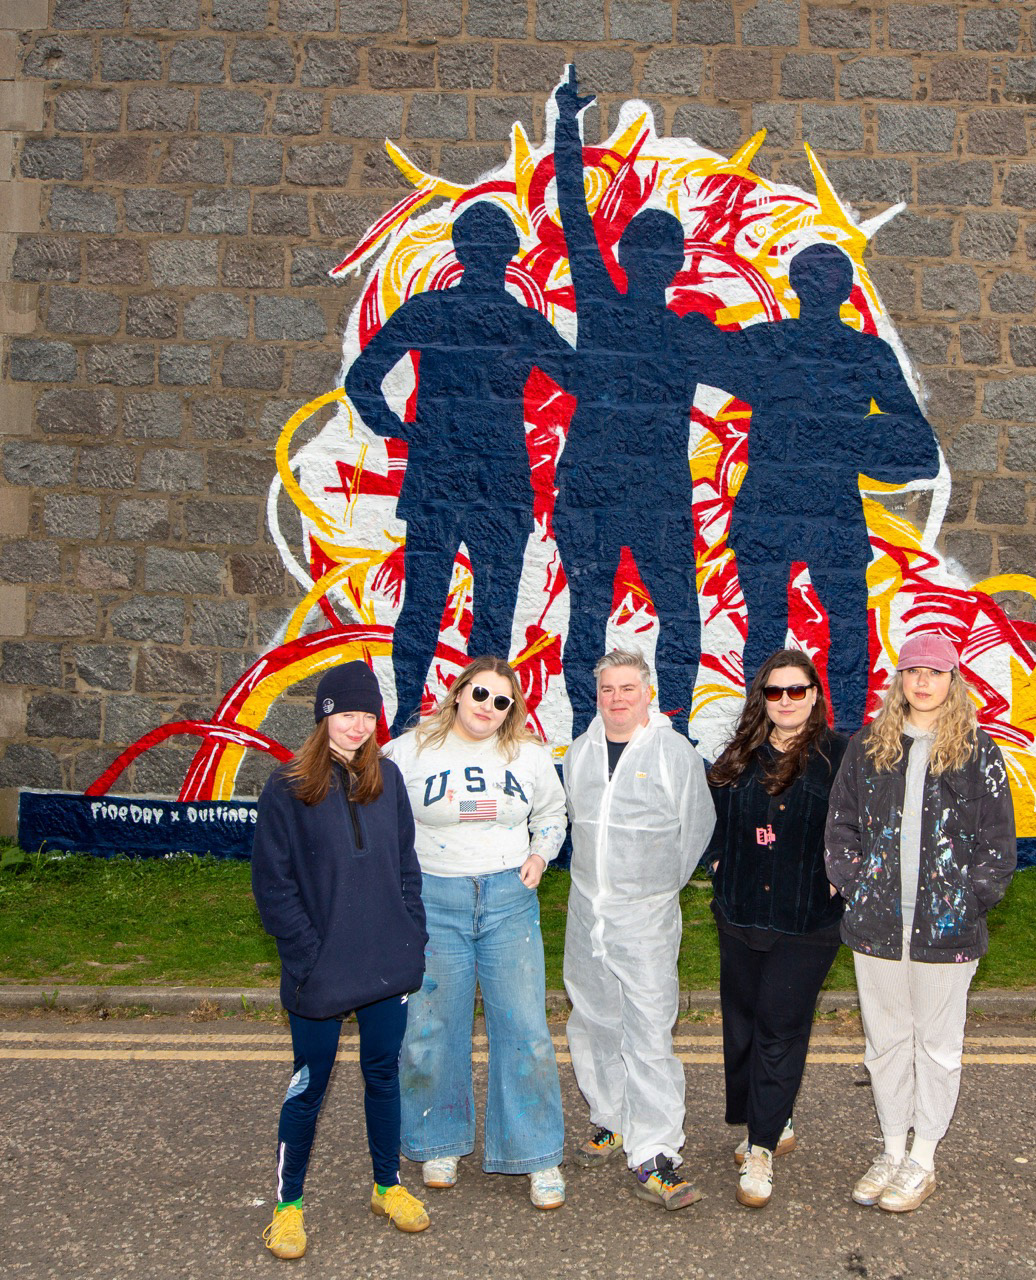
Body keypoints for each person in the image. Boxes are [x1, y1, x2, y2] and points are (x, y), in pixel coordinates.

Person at [345, 202, 574, 736]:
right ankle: (466, 726)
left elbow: (363, 379)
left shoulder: (433, 311)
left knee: (424, 606)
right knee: (487, 617)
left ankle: (407, 716)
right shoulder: (520, 321)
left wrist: (399, 428)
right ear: (505, 256)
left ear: (461, 250)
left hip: (441, 480)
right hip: (497, 486)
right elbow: (585, 382)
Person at [553, 69, 729, 735]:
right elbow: (572, 210)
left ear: (677, 260)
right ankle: (585, 731)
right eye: (647, 247)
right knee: (601, 613)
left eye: (664, 249)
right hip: (608, 488)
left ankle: (674, 731)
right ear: (634, 253)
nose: (655, 258)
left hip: (645, 491)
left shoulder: (681, 329)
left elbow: (764, 369)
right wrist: (566, 128)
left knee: (668, 616)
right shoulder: (610, 305)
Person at [709, 243, 941, 730]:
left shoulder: (801, 348)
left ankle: (845, 734)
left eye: (821, 280)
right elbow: (699, 357)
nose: (817, 289)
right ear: (847, 291)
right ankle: (793, 733)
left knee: (825, 630)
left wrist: (844, 439)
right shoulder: (801, 347)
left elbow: (920, 450)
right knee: (792, 630)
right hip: (785, 506)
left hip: (812, 506)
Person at [824, 632, 1017, 1212]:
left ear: (952, 681)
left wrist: (974, 898)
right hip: (877, 927)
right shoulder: (867, 748)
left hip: (946, 929)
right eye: (913, 672)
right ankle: (889, 1148)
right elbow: (842, 827)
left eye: (934, 673)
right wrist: (856, 885)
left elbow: (997, 843)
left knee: (936, 1045)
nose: (923, 682)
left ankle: (923, 1156)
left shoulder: (978, 752)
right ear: (900, 680)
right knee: (885, 1043)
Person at [252, 660, 431, 1260]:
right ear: (324, 716)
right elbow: (272, 887)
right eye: (346, 714)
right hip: (320, 969)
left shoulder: (391, 780)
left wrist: (412, 935)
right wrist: (306, 953)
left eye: (366, 715)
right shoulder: (286, 787)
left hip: (386, 960)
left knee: (383, 1075)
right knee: (310, 1084)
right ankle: (289, 1206)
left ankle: (387, 1186)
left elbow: (407, 867)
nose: (357, 726)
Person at [384, 655, 569, 1210]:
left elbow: (554, 815)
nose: (489, 707)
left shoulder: (530, 756)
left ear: (512, 710)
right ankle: (438, 1140)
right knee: (430, 1028)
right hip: (434, 902)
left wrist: (540, 855)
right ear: (459, 692)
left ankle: (536, 1155)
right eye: (480, 694)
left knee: (526, 1030)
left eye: (502, 701)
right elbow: (376, 810)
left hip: (508, 900)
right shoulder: (409, 751)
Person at [561, 648, 716, 1210]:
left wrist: (655, 889)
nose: (617, 698)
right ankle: (611, 1116)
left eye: (628, 688)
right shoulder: (580, 752)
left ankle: (656, 1149)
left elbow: (696, 828)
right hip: (587, 912)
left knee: (649, 1029)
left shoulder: (674, 753)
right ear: (596, 695)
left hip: (645, 915)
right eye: (608, 689)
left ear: (647, 693)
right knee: (595, 1017)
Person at [705, 649, 848, 1208]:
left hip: (806, 919)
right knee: (741, 1025)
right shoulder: (740, 754)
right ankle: (770, 1118)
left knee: (779, 1028)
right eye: (774, 692)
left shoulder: (841, 755)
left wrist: (844, 873)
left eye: (797, 690)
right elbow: (708, 815)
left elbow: (869, 817)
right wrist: (717, 859)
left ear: (814, 695)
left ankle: (761, 1147)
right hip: (740, 914)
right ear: (762, 697)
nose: (786, 701)